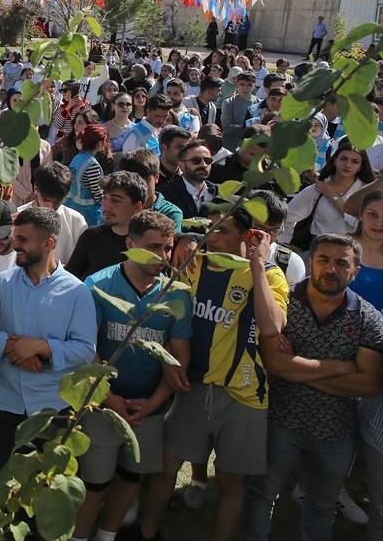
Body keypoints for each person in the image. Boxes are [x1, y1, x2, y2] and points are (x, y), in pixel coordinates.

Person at [137, 206, 287, 541]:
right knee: (166, 466)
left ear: (246, 237)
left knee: (232, 480)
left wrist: (257, 265)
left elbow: (272, 327)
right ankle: (147, 532)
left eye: (222, 231)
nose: (212, 236)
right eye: (210, 228)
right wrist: (166, 361)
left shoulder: (270, 274)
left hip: (244, 393)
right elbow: (164, 319)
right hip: (192, 385)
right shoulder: (192, 263)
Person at [243, 233, 383, 541]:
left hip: (337, 430)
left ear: (355, 270)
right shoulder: (283, 302)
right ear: (310, 262)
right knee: (263, 492)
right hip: (279, 420)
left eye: (342, 263)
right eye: (323, 260)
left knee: (322, 504)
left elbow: (370, 383)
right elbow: (276, 365)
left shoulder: (368, 318)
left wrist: (297, 364)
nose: (331, 268)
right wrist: (340, 367)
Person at [73, 211, 191, 541]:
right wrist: (108, 397)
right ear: (130, 243)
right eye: (154, 247)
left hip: (149, 409)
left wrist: (153, 402)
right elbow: (86, 348)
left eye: (168, 248)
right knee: (94, 482)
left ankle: (107, 535)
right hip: (101, 405)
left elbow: (180, 358)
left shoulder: (177, 293)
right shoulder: (98, 285)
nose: (163, 257)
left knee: (131, 476)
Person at [0, 207, 98, 495]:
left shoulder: (77, 293)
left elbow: (85, 349)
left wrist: (41, 348)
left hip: (50, 408)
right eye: (16, 236)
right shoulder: (0, 285)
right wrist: (13, 348)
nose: (14, 244)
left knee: (43, 488)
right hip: (3, 404)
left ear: (49, 243)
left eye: (23, 239)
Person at [280, 138, 373, 251]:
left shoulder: (366, 192)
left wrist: (333, 197)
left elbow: (360, 224)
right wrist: (284, 242)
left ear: (361, 167)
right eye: (343, 159)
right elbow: (288, 215)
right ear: (335, 160)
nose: (348, 165)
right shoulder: (319, 188)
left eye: (355, 161)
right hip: (318, 249)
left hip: (351, 251)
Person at [67, 172, 148, 280]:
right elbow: (71, 280)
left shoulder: (147, 243)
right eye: (104, 198)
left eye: (115, 200)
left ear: (137, 207)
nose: (106, 206)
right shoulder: (91, 236)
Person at [20, 162, 88, 263]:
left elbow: (84, 260)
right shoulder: (17, 217)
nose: (51, 207)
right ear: (35, 189)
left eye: (57, 202)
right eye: (46, 200)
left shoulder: (76, 221)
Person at [158, 139, 220, 221]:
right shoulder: (165, 193)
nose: (203, 165)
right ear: (181, 165)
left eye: (207, 160)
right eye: (196, 161)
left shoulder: (220, 192)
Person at [64, 124, 108, 227]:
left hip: (71, 208)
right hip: (88, 215)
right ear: (99, 143)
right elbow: (98, 195)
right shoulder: (91, 165)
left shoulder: (78, 158)